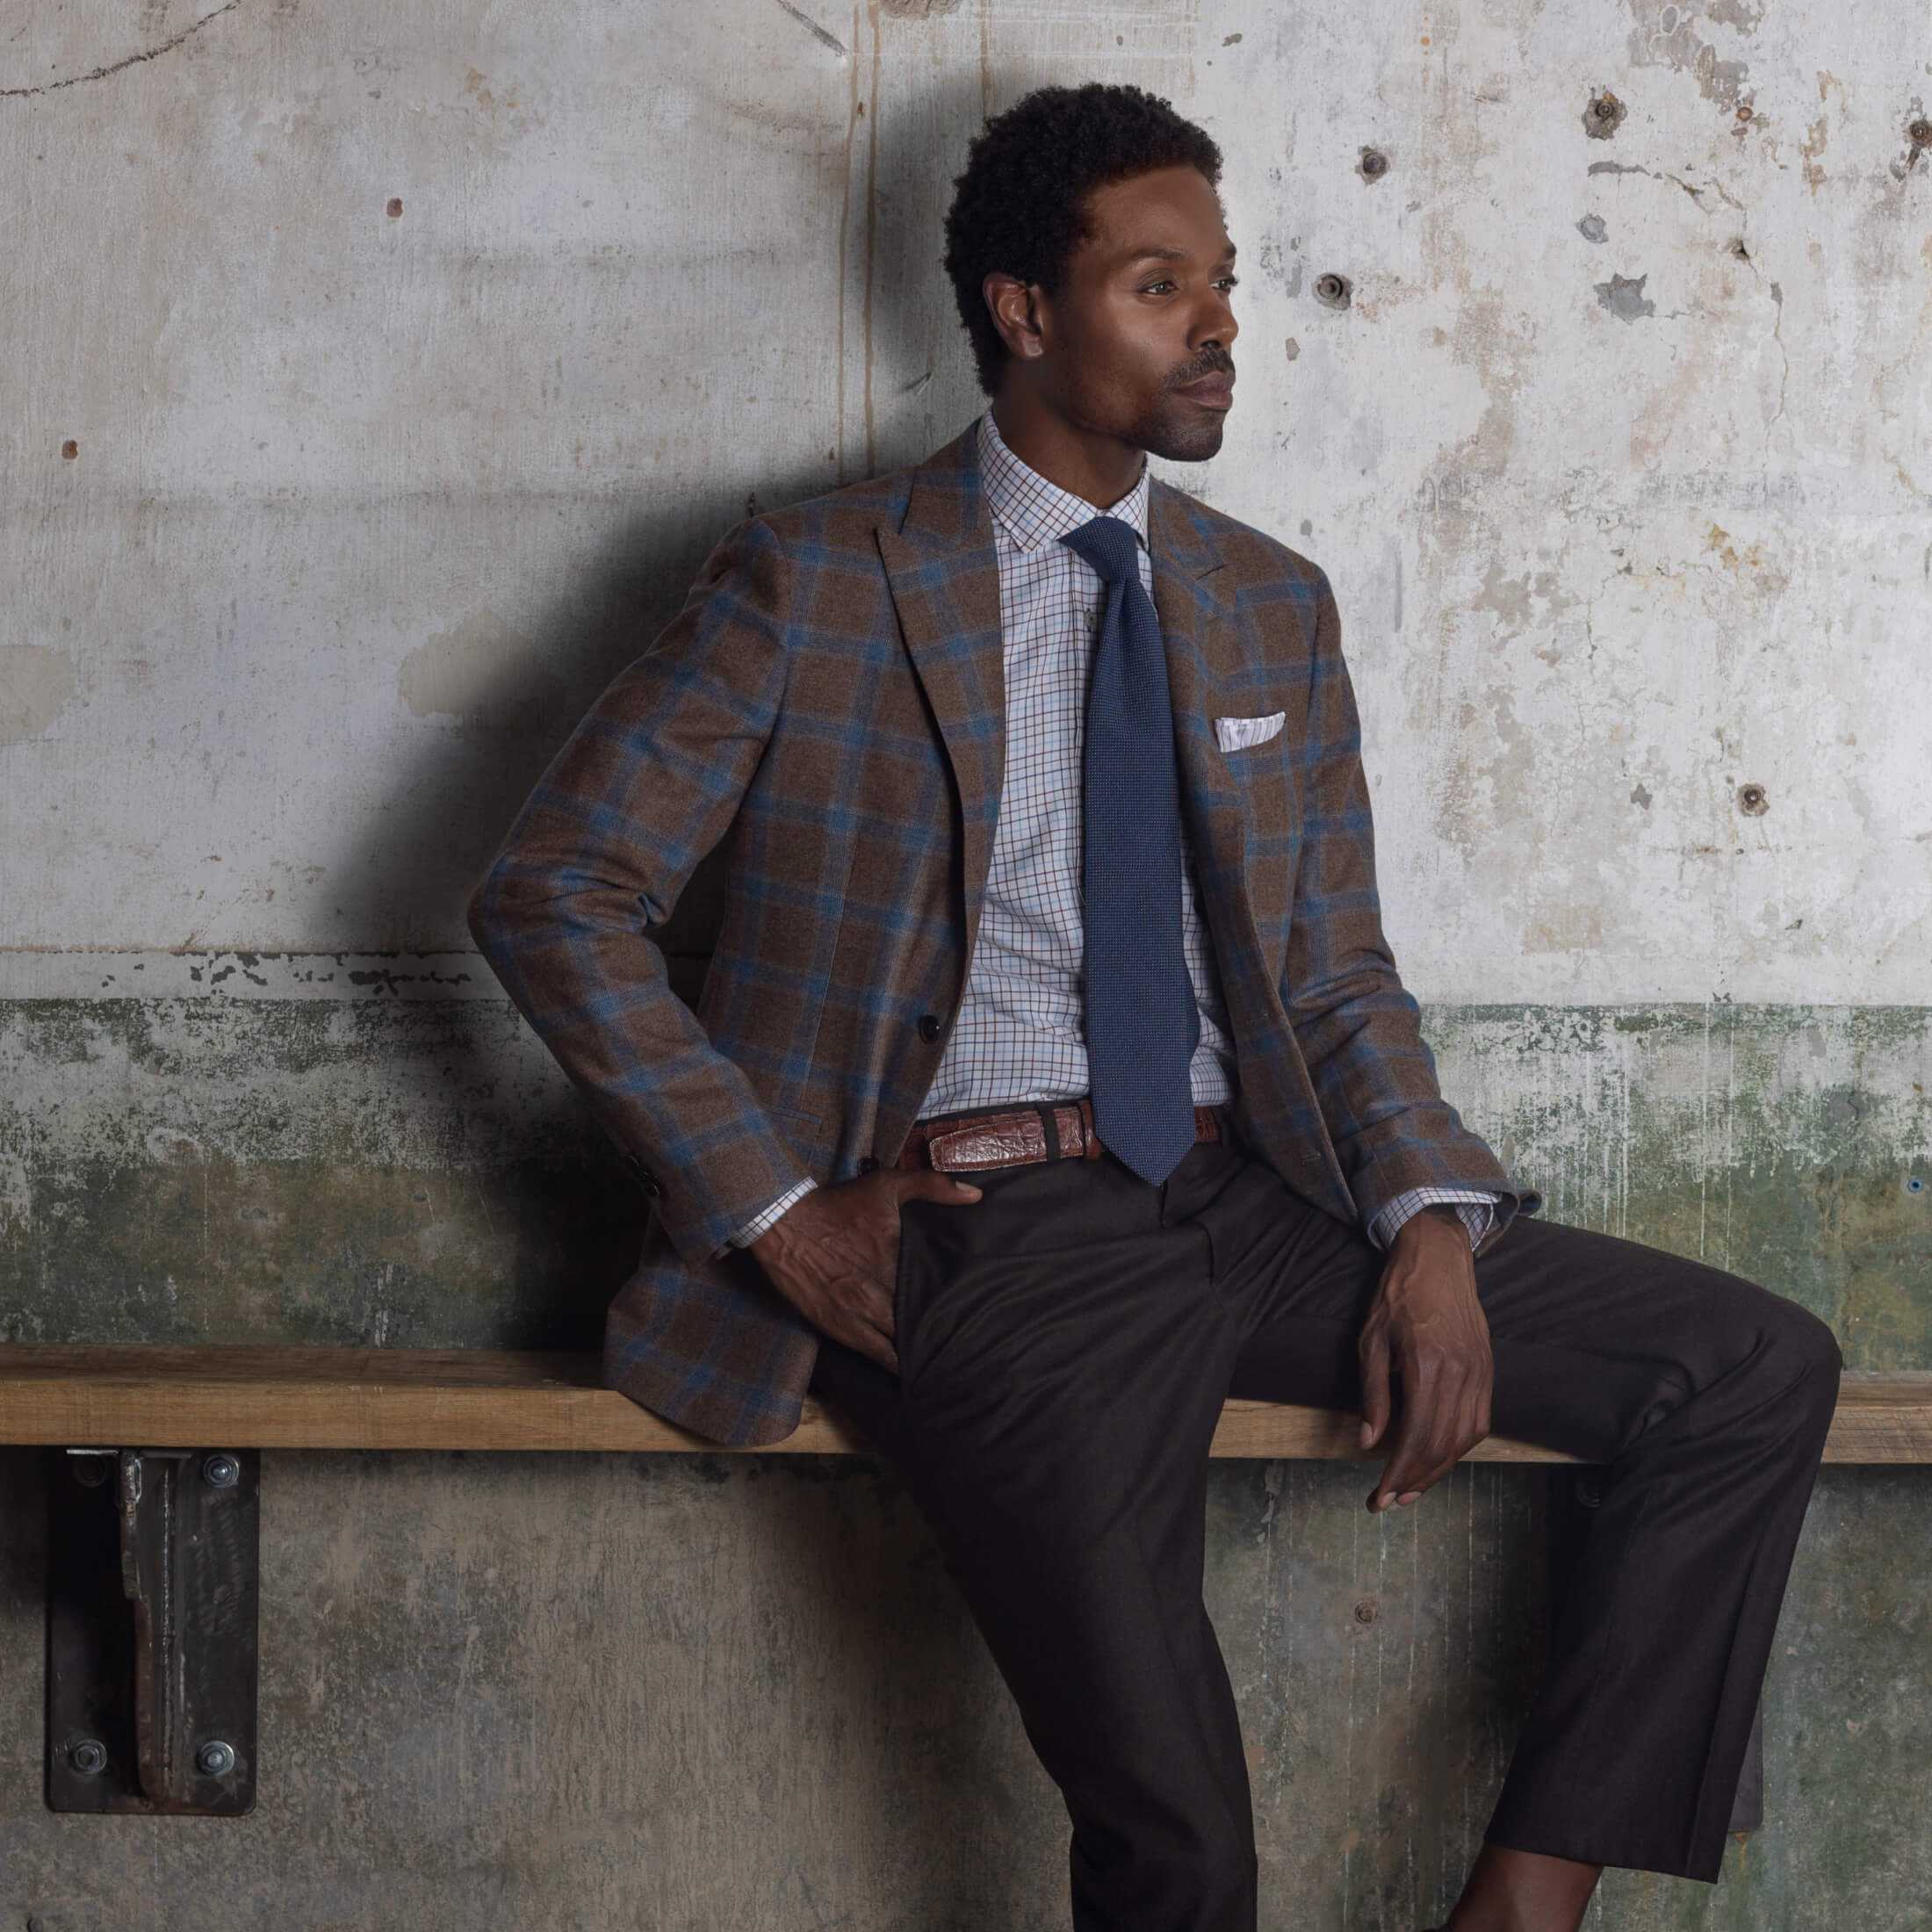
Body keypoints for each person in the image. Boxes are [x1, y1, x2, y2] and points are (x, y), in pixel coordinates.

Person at [467, 80, 1842, 1932]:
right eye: (1153, 282)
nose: (1214, 326)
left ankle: (1519, 1906)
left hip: (1247, 1195)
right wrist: (779, 1214)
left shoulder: (1265, 603)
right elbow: (556, 889)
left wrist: (1430, 1222)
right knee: (1179, 1835)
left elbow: (1333, 968)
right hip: (988, 1235)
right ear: (1022, 310)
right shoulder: (817, 579)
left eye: (1221, 281)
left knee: (1747, 1368)